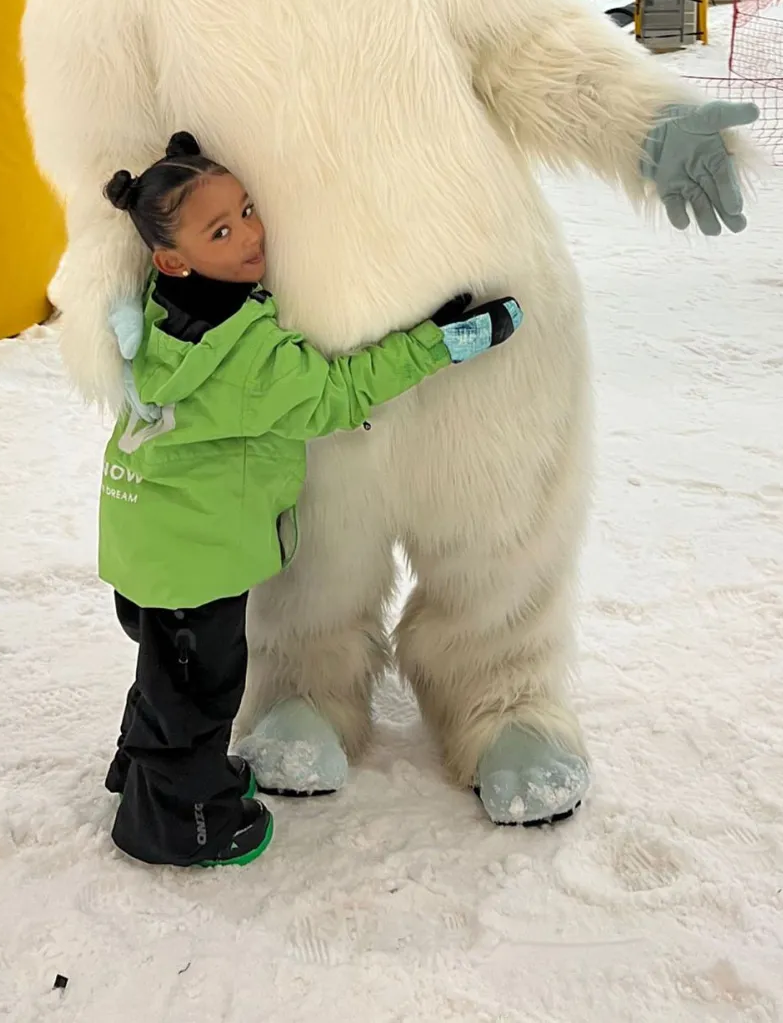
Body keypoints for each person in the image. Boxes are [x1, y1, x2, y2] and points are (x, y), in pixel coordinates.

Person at [99, 132, 524, 870]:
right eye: (221, 232)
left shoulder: (162, 312)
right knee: (201, 692)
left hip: (144, 537)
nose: (250, 235)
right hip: (195, 557)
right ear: (172, 259)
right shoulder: (245, 359)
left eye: (247, 210)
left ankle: (137, 771)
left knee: (168, 673)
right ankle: (179, 821)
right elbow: (337, 394)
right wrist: (438, 342)